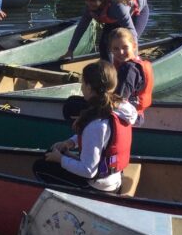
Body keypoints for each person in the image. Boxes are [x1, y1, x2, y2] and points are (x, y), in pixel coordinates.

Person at [34, 60, 138, 192]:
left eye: (82, 83)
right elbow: (101, 138)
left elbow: (88, 171)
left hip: (98, 185)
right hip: (112, 179)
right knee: (54, 154)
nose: (82, 87)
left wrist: (61, 160)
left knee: (40, 167)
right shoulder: (119, 108)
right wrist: (70, 142)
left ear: (89, 87)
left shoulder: (96, 124)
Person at [63, 0, 149, 62]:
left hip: (137, 14)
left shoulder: (118, 6)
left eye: (92, 0)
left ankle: (129, 66)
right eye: (86, 0)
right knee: (104, 45)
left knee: (125, 43)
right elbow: (81, 28)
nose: (89, 3)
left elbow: (132, 32)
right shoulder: (90, 7)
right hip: (114, 18)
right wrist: (70, 51)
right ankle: (109, 69)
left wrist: (135, 60)